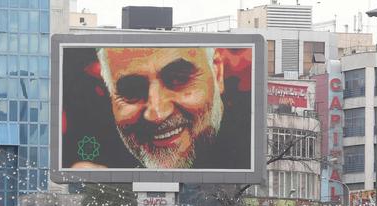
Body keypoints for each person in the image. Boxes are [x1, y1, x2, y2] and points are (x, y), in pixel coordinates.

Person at [71, 47, 250, 170]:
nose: (156, 113)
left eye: (178, 79)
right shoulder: (97, 163)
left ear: (217, 73)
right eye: (132, 90)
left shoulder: (253, 152)